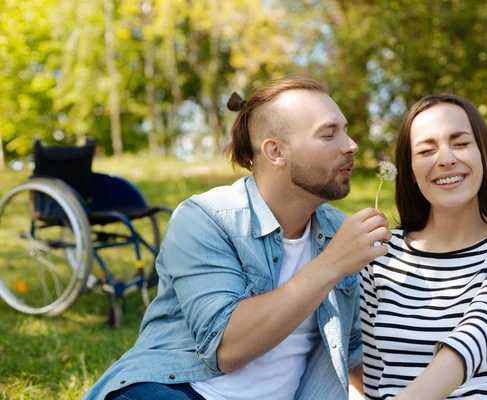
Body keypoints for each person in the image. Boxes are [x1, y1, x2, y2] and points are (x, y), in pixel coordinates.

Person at [83, 77, 392, 400]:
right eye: (329, 134)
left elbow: (353, 351)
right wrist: (332, 264)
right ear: (275, 152)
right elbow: (226, 349)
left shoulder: (338, 233)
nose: (351, 145)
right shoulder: (205, 218)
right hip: (177, 389)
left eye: (345, 130)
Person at [359, 93, 487, 400]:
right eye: (426, 150)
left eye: (461, 143)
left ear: (483, 155)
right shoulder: (380, 253)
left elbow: (476, 336)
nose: (446, 159)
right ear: (409, 169)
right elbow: (368, 371)